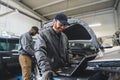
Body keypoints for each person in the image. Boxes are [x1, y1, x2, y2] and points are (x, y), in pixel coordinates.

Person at [34, 13, 69, 80]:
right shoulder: (43, 34)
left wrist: (71, 62)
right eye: (61, 24)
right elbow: (39, 51)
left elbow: (68, 51)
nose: (63, 27)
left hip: (62, 69)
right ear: (54, 21)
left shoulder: (64, 37)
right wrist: (46, 69)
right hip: (49, 69)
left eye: (64, 25)